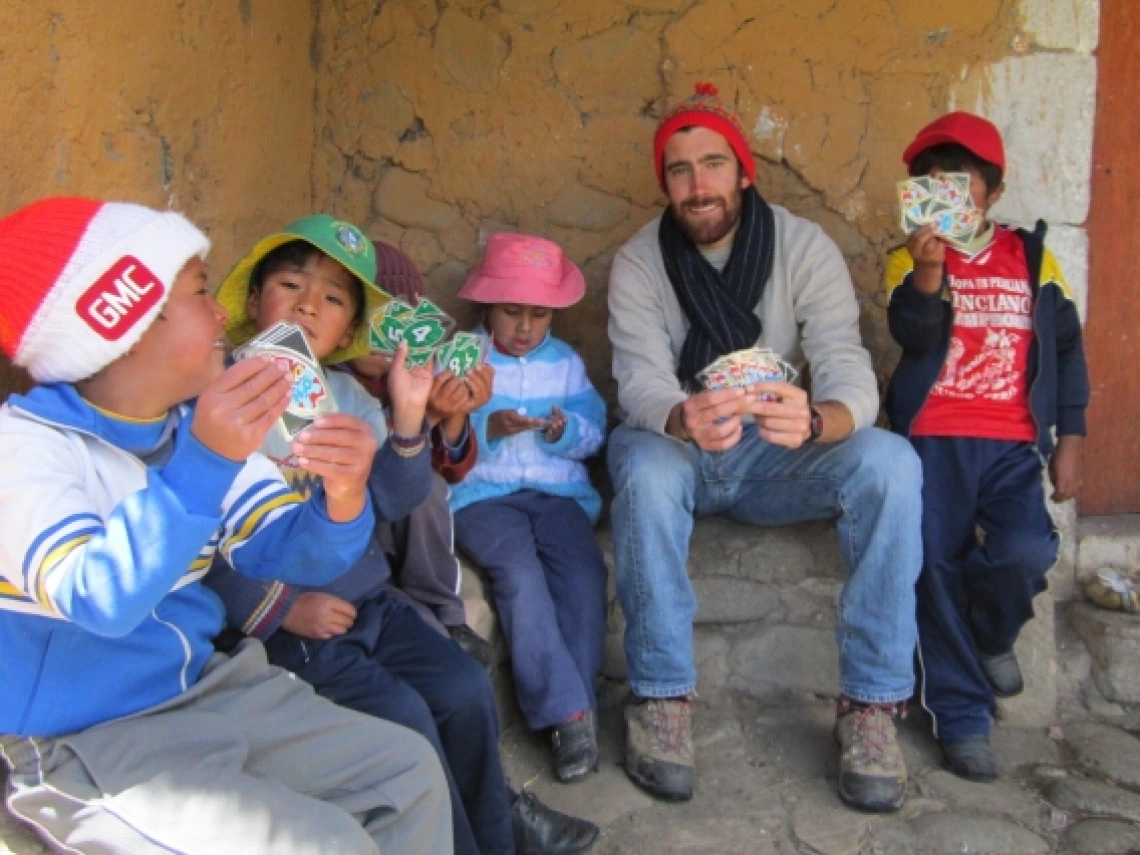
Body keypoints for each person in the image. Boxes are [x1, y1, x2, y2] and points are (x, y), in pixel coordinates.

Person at [0, 197, 450, 854]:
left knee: (406, 771)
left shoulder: (187, 422)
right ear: (127, 324)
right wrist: (205, 462)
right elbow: (100, 596)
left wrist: (344, 494)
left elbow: (294, 552)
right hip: (84, 736)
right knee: (325, 843)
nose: (220, 313)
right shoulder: (28, 446)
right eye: (200, 292)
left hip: (204, 689)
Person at [206, 215, 599, 855]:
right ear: (254, 301)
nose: (309, 305)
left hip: (370, 602)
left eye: (334, 299)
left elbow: (393, 494)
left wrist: (412, 415)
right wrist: (277, 608)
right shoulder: (220, 396)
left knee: (466, 691)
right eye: (290, 285)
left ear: (344, 329)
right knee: (408, 722)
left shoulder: (342, 394)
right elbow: (196, 525)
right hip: (297, 625)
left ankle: (498, 839)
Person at [606, 83, 924, 813]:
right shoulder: (639, 263)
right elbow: (639, 379)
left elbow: (844, 359)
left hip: (774, 452)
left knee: (891, 464)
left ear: (744, 171)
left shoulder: (801, 245)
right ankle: (661, 697)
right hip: (681, 447)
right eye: (680, 170)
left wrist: (821, 421)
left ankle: (872, 707)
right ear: (665, 182)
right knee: (644, 468)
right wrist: (684, 417)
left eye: (714, 163)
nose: (698, 185)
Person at [885, 112, 1089, 781]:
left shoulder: (1031, 257)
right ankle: (963, 716)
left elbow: (1063, 343)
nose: (947, 194)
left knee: (1026, 548)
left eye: (962, 182)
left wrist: (1072, 434)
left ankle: (994, 633)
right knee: (934, 570)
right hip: (932, 441)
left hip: (1010, 443)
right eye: (932, 181)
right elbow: (913, 335)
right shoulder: (908, 255)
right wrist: (926, 272)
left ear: (992, 193)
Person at [450, 232, 609, 786]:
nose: (523, 327)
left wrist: (563, 430)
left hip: (557, 494)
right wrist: (486, 426)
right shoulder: (463, 358)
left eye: (538, 314)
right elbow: (440, 431)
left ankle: (579, 701)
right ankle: (564, 715)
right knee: (518, 576)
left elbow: (594, 432)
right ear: (486, 308)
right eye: (510, 312)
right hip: (483, 497)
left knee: (584, 576)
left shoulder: (565, 365)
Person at [336, 240, 495, 666]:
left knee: (426, 487)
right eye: (375, 322)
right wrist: (426, 416)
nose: (389, 339)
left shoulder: (418, 372)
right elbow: (368, 458)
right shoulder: (330, 379)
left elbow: (450, 468)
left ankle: (445, 612)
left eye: (404, 321)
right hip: (350, 523)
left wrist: (453, 414)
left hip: (403, 523)